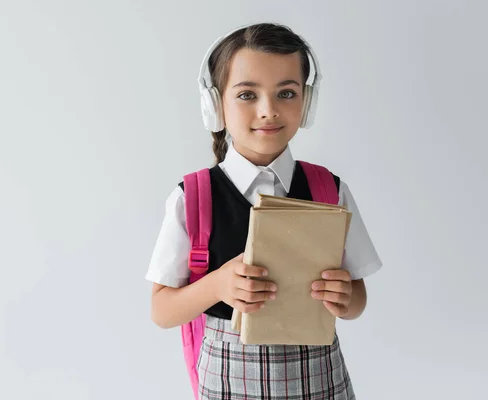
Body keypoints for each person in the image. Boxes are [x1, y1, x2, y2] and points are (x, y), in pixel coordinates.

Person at [145, 22, 382, 400]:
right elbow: (162, 311)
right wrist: (219, 284)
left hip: (319, 379)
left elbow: (357, 300)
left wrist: (345, 297)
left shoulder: (328, 190)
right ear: (215, 104)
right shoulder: (193, 197)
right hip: (227, 382)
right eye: (247, 95)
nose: (268, 110)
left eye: (286, 93)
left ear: (307, 102)